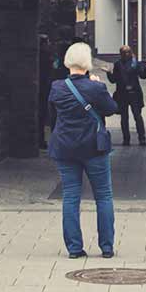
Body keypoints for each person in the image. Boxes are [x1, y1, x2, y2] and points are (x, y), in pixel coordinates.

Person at [47, 40, 117, 258]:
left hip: (65, 148)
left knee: (70, 196)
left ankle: (74, 248)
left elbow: (52, 116)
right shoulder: (95, 88)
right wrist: (98, 85)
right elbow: (112, 109)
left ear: (68, 62)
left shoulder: (57, 88)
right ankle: (106, 247)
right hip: (94, 147)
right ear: (87, 64)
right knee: (103, 196)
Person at [106, 45, 146, 145]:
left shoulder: (135, 63)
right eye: (124, 53)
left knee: (137, 116)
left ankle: (142, 138)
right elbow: (113, 79)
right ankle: (126, 139)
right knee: (124, 117)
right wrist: (108, 73)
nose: (127, 54)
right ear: (121, 54)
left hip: (134, 94)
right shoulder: (118, 64)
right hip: (122, 94)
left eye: (128, 52)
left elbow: (143, 76)